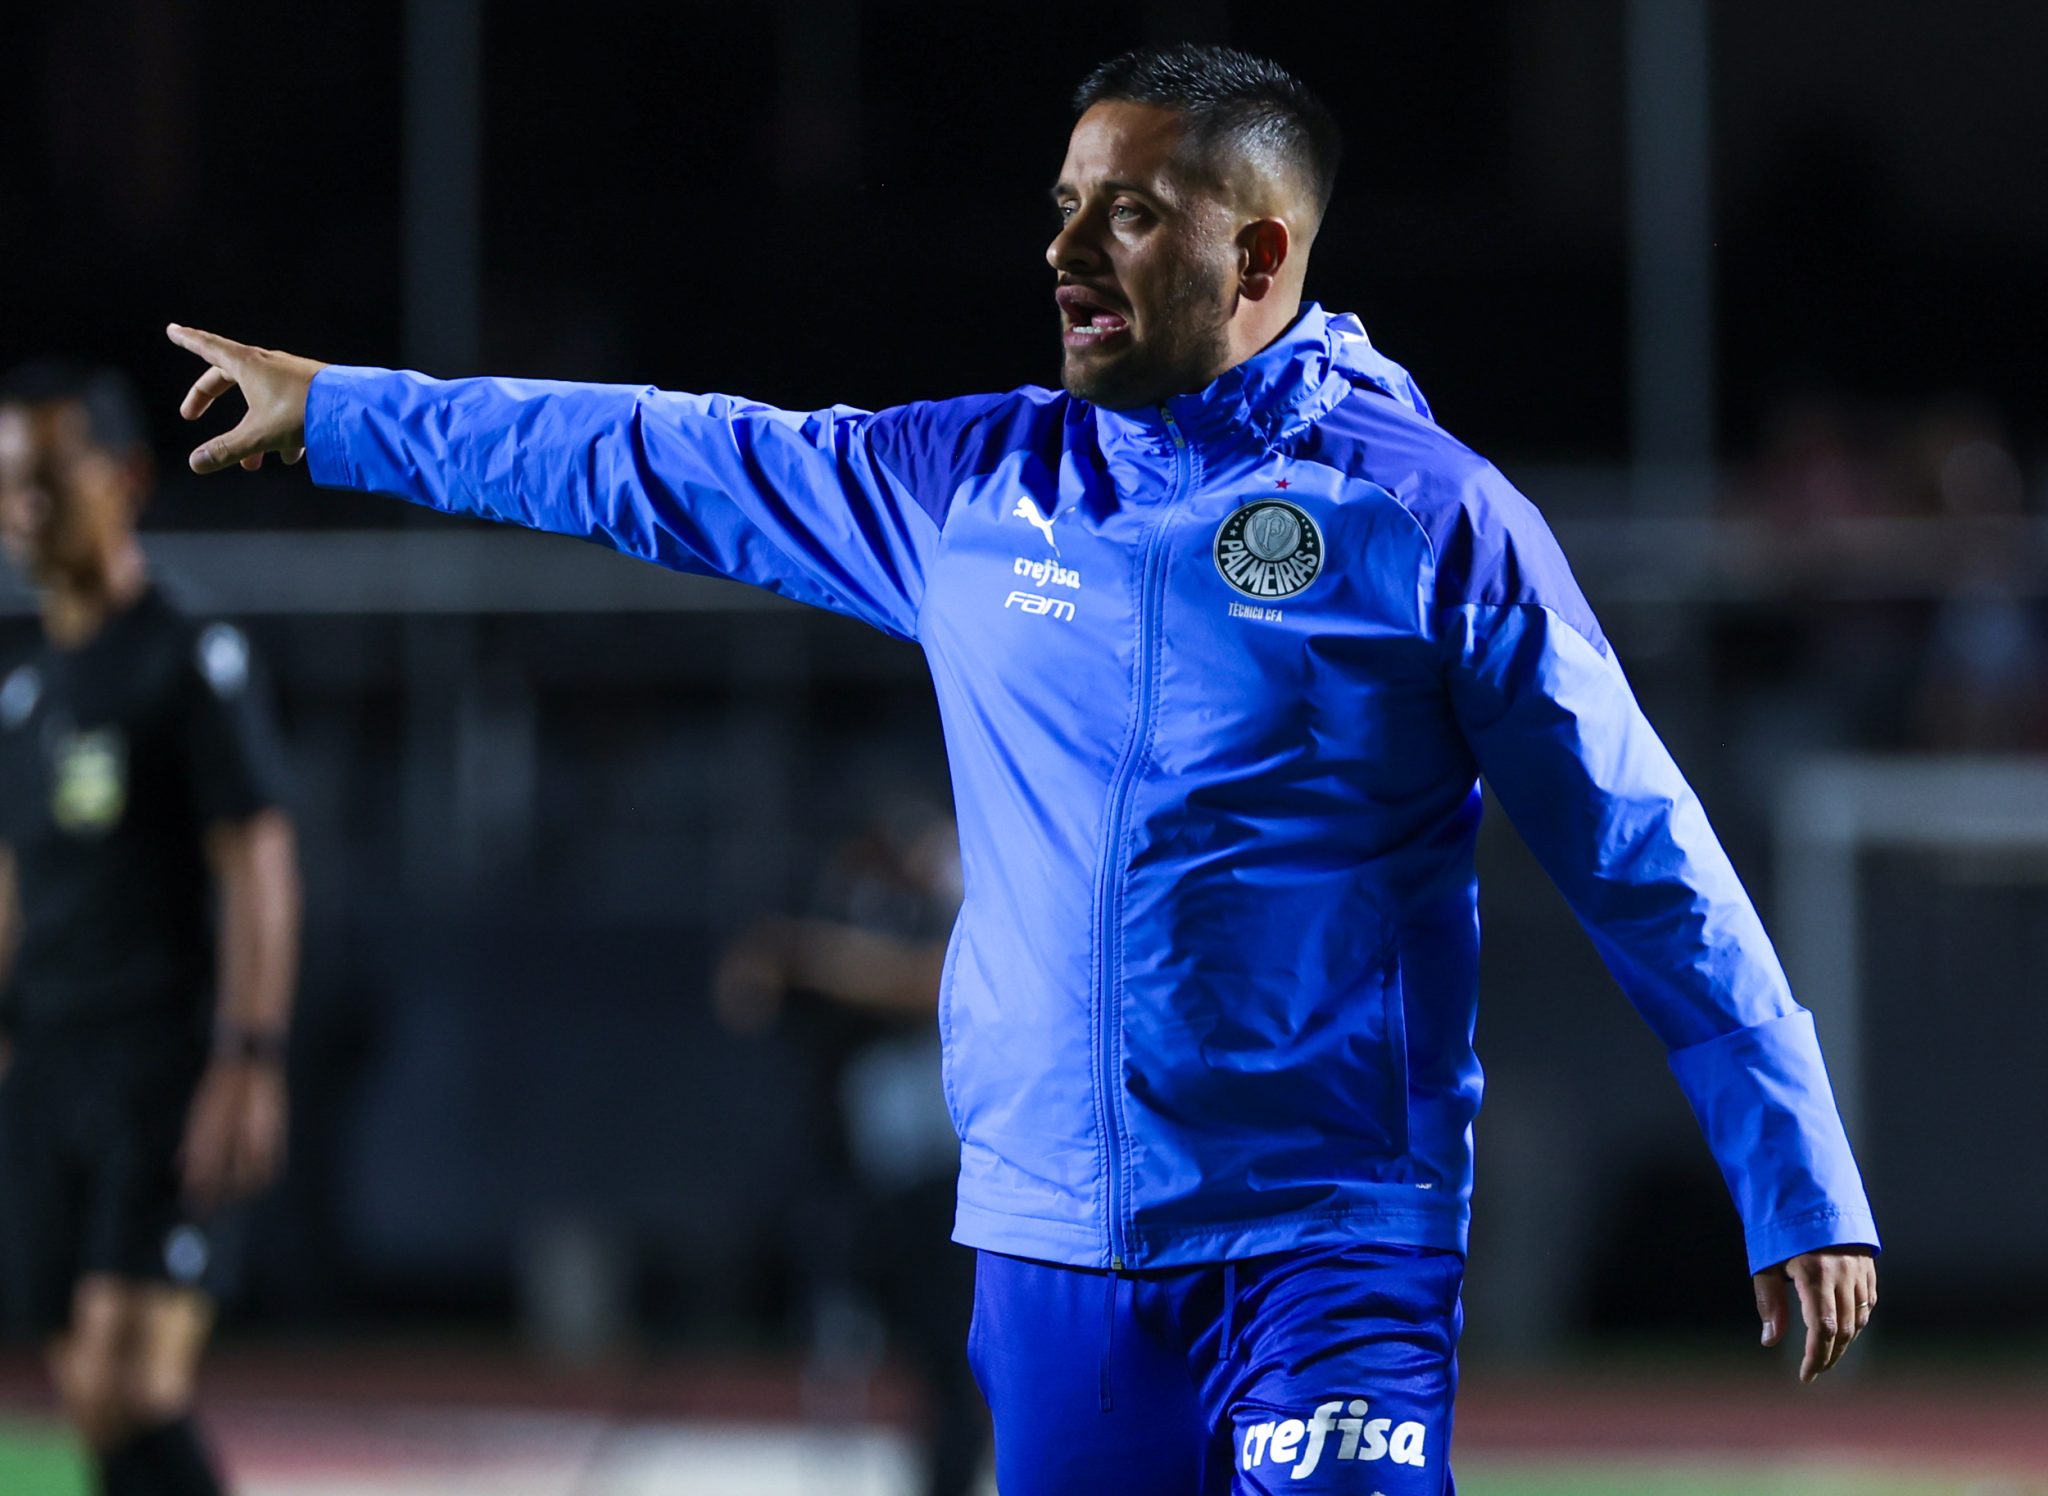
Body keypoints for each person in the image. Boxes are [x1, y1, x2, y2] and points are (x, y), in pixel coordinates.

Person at [164, 42, 1877, 1495]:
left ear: (1260, 257)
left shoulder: (1426, 522)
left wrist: (1787, 1162)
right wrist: (348, 410)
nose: (1066, 245)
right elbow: (657, 455)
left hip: (1328, 1242)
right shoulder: (966, 492)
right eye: (1063, 201)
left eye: (1127, 211)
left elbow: (1643, 856)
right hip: (1051, 1255)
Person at [0, 362, 301, 1496]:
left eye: (49, 475)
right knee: (88, 1394)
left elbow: (260, 861)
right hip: (49, 1071)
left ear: (126, 477)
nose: (26, 503)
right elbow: (13, 885)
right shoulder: (27, 698)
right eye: (8, 479)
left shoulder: (184, 662)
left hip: (158, 1066)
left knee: (132, 1385)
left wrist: (251, 1053)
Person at [714, 800, 984, 1496]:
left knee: (953, 1364)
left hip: (950, 1178)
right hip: (863, 1177)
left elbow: (931, 981)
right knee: (843, 1343)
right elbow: (744, 989)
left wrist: (812, 957)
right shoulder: (847, 906)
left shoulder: (969, 892)